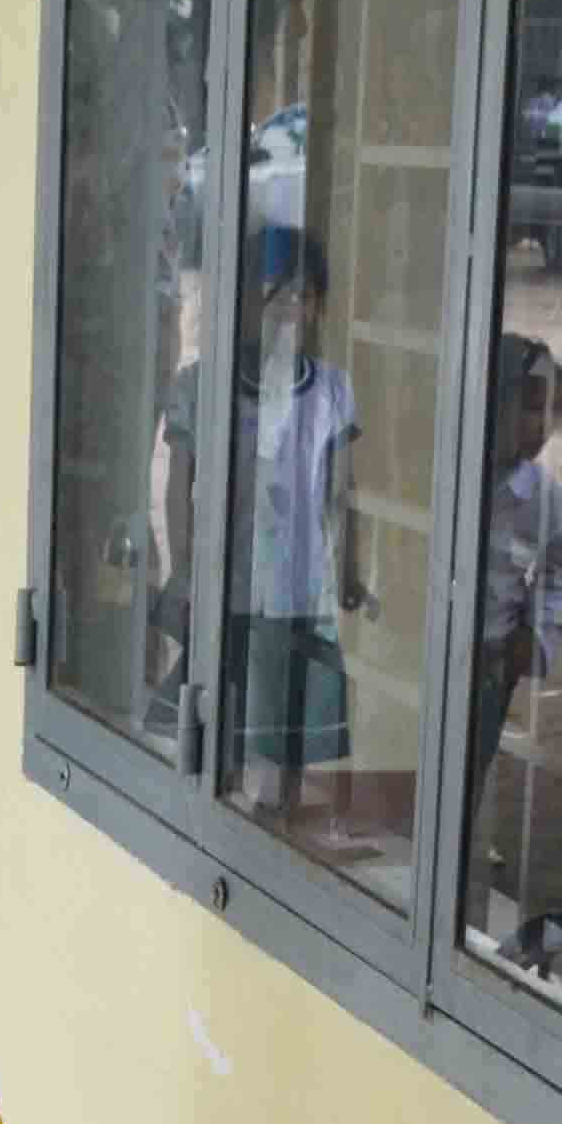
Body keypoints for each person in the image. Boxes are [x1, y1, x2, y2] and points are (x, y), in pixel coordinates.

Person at [229, 226, 369, 849]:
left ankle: (282, 806)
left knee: (297, 695)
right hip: (246, 574)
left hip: (304, 573)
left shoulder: (332, 389)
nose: (292, 308)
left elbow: (342, 490)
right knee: (253, 691)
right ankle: (256, 810)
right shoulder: (229, 384)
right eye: (276, 294)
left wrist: (349, 570)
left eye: (305, 296)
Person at [462, 329, 562, 877]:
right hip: (429, 651)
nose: (540, 425)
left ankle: (456, 849)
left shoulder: (543, 497)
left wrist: (534, 631)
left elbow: (557, 563)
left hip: (490, 664)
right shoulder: (452, 476)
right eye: (528, 406)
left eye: (548, 410)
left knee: (471, 762)